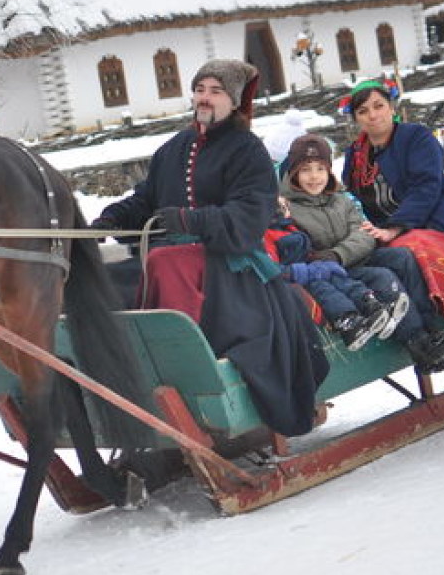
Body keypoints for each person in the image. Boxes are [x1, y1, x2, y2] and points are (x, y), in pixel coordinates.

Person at [90, 59, 328, 437]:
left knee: (164, 262)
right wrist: (109, 220)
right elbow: (145, 200)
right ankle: (128, 370)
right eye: (200, 89)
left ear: (233, 101)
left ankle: (179, 365)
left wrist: (192, 221)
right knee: (108, 275)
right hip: (171, 258)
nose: (205, 98)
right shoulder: (173, 148)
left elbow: (250, 218)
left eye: (216, 91)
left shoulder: (247, 151)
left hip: (232, 268)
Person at [339, 78, 444, 368]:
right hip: (384, 229)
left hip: (435, 213)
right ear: (355, 118)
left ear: (391, 106)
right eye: (364, 110)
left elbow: (425, 186)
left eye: (379, 106)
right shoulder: (355, 156)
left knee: (415, 247)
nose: (373, 115)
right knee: (386, 260)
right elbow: (351, 199)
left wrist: (396, 226)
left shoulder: (415, 136)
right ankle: (425, 337)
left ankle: (443, 321)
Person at [275, 134, 426, 356]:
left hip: (346, 258)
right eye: (306, 169)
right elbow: (294, 246)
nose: (314, 177)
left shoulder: (341, 199)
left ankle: (429, 327)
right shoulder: (288, 207)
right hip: (330, 273)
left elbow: (363, 233)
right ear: (294, 173)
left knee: (402, 256)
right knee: (383, 276)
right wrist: (327, 259)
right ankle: (415, 340)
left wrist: (338, 254)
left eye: (320, 169)